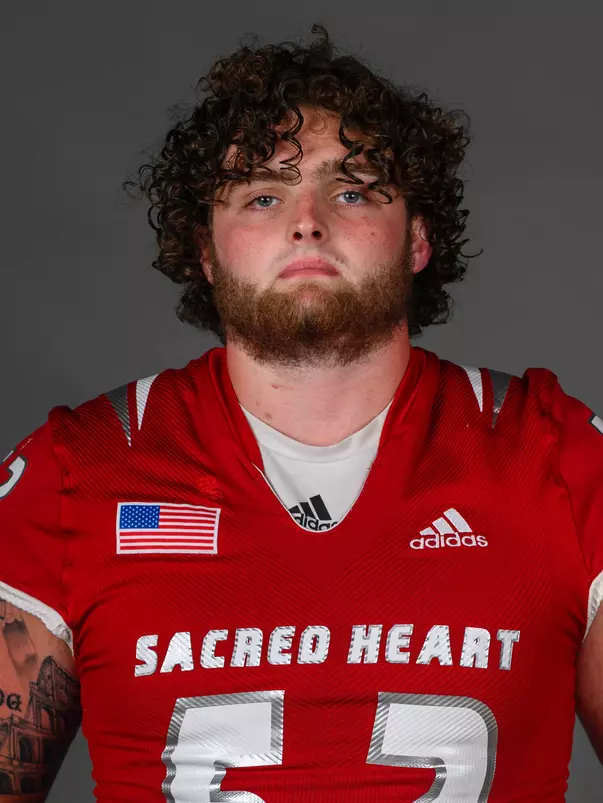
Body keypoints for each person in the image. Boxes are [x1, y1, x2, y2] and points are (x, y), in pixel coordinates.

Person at [0, 23, 601, 802]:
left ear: (416, 238)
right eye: (262, 193)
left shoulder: (555, 455)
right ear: (207, 251)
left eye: (351, 189)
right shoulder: (73, 470)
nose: (307, 220)